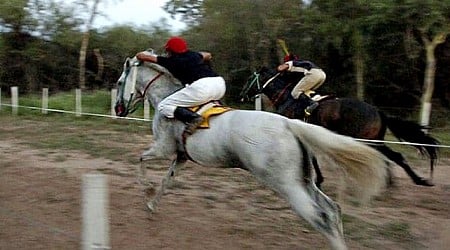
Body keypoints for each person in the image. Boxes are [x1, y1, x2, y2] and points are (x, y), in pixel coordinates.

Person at [136, 36, 226, 134]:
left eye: (167, 51)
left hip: (202, 88)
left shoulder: (170, 62)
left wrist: (140, 55)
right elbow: (208, 55)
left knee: (163, 106)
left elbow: (141, 56)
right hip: (220, 84)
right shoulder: (194, 55)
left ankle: (193, 119)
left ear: (170, 51)